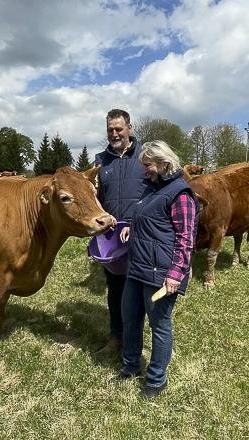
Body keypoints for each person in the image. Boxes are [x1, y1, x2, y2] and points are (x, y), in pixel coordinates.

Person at [115, 140, 197, 399]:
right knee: (130, 318)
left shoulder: (180, 194)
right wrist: (131, 224)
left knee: (159, 326)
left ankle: (156, 379)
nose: (145, 171)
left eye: (148, 165)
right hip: (137, 267)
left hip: (161, 274)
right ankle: (130, 367)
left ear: (164, 164)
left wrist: (176, 273)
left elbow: (186, 237)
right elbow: (146, 216)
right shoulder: (151, 189)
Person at [94, 109, 147, 353]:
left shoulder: (145, 156)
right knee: (114, 288)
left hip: (141, 233)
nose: (114, 134)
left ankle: (134, 340)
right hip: (112, 235)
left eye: (119, 129)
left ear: (130, 128)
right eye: (110, 130)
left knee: (137, 288)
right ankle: (116, 337)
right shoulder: (99, 161)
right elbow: (94, 201)